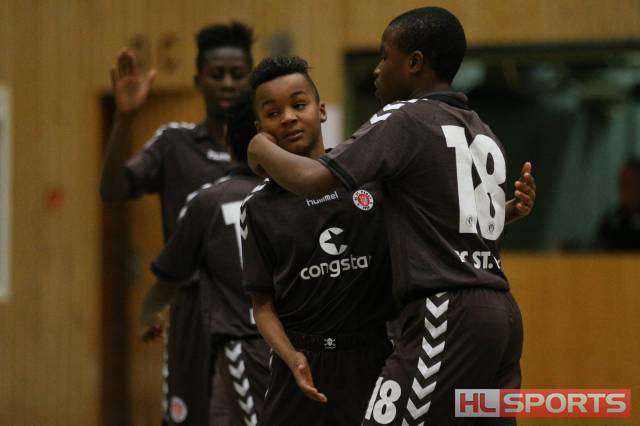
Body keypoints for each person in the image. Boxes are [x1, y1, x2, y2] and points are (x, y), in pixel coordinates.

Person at [246, 8, 536, 425]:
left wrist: (259, 148)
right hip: (501, 314)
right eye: (273, 114)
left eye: (384, 56)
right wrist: (506, 212)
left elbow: (312, 180)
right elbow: (448, 222)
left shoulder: (403, 118)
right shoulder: (477, 126)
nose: (377, 69)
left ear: (414, 62)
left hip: (443, 311)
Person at [99, 22, 254, 425]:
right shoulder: (174, 142)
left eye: (237, 74)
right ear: (198, 80)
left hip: (253, 310)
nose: (227, 83)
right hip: (192, 307)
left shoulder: (267, 150)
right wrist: (124, 119)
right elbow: (114, 189)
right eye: (216, 74)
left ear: (251, 80)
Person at [240, 56, 396, 426]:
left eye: (299, 105)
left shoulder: (368, 181)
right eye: (273, 113)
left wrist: (503, 213)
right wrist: (290, 355)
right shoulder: (258, 208)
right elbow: (262, 305)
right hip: (303, 362)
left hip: (376, 358)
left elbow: (429, 232)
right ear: (260, 130)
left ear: (321, 111)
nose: (288, 118)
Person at [141, 93, 270, 426]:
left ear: (225, 136)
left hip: (243, 345)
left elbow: (168, 277)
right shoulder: (290, 196)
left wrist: (148, 313)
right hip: (291, 345)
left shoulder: (207, 202)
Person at [595, 159, 640, 250]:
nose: (622, 188)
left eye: (628, 183)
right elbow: (597, 247)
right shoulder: (612, 220)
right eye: (621, 183)